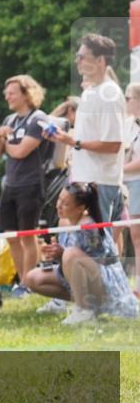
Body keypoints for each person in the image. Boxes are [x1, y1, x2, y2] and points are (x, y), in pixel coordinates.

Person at [45, 34, 128, 253]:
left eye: (82, 57)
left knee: (97, 251)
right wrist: (64, 138)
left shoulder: (109, 95)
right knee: (83, 248)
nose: (77, 61)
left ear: (100, 61)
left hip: (100, 183)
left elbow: (113, 145)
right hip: (85, 180)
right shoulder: (91, 92)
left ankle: (104, 287)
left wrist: (74, 141)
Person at [23, 183, 139, 325]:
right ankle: (88, 305)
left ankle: (85, 310)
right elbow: (71, 263)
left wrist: (63, 253)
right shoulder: (64, 222)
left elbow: (93, 260)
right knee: (32, 278)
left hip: (105, 279)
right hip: (85, 275)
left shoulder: (88, 226)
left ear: (81, 208)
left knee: (70, 254)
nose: (59, 206)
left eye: (65, 204)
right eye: (59, 199)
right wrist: (57, 254)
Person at [0, 75, 47, 297]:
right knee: (11, 235)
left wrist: (5, 143)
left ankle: (29, 282)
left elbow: (21, 151)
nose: (7, 97)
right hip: (11, 185)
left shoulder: (38, 119)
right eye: (6, 93)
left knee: (27, 234)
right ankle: (22, 280)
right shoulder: (9, 120)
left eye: (12, 93)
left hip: (31, 184)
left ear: (26, 94)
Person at [123, 83, 140, 275]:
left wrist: (118, 171)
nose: (125, 102)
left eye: (128, 98)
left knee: (137, 236)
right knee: (136, 237)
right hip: (131, 184)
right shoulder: (129, 124)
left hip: (136, 182)